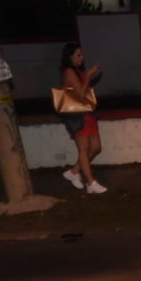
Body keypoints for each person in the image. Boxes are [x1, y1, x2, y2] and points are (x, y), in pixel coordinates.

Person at [58, 42, 107, 194]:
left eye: (82, 54)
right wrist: (88, 77)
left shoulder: (78, 71)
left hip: (87, 112)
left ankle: (73, 172)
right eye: (78, 55)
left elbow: (84, 92)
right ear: (70, 57)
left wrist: (87, 78)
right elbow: (80, 94)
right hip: (77, 115)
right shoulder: (69, 72)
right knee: (84, 149)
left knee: (96, 148)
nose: (82, 57)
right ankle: (91, 183)